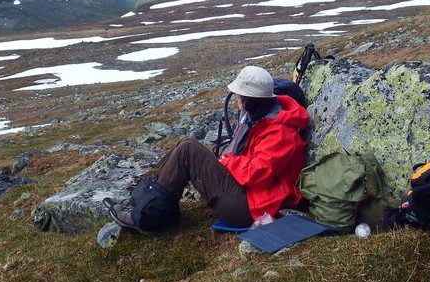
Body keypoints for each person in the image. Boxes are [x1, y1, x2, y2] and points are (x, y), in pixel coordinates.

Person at [104, 65, 309, 234]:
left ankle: (149, 217)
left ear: (248, 99)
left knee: (188, 150)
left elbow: (256, 174)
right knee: (186, 145)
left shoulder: (281, 132)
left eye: (238, 96)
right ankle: (142, 200)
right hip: (250, 196)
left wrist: (226, 161)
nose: (236, 101)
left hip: (252, 207)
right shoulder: (264, 119)